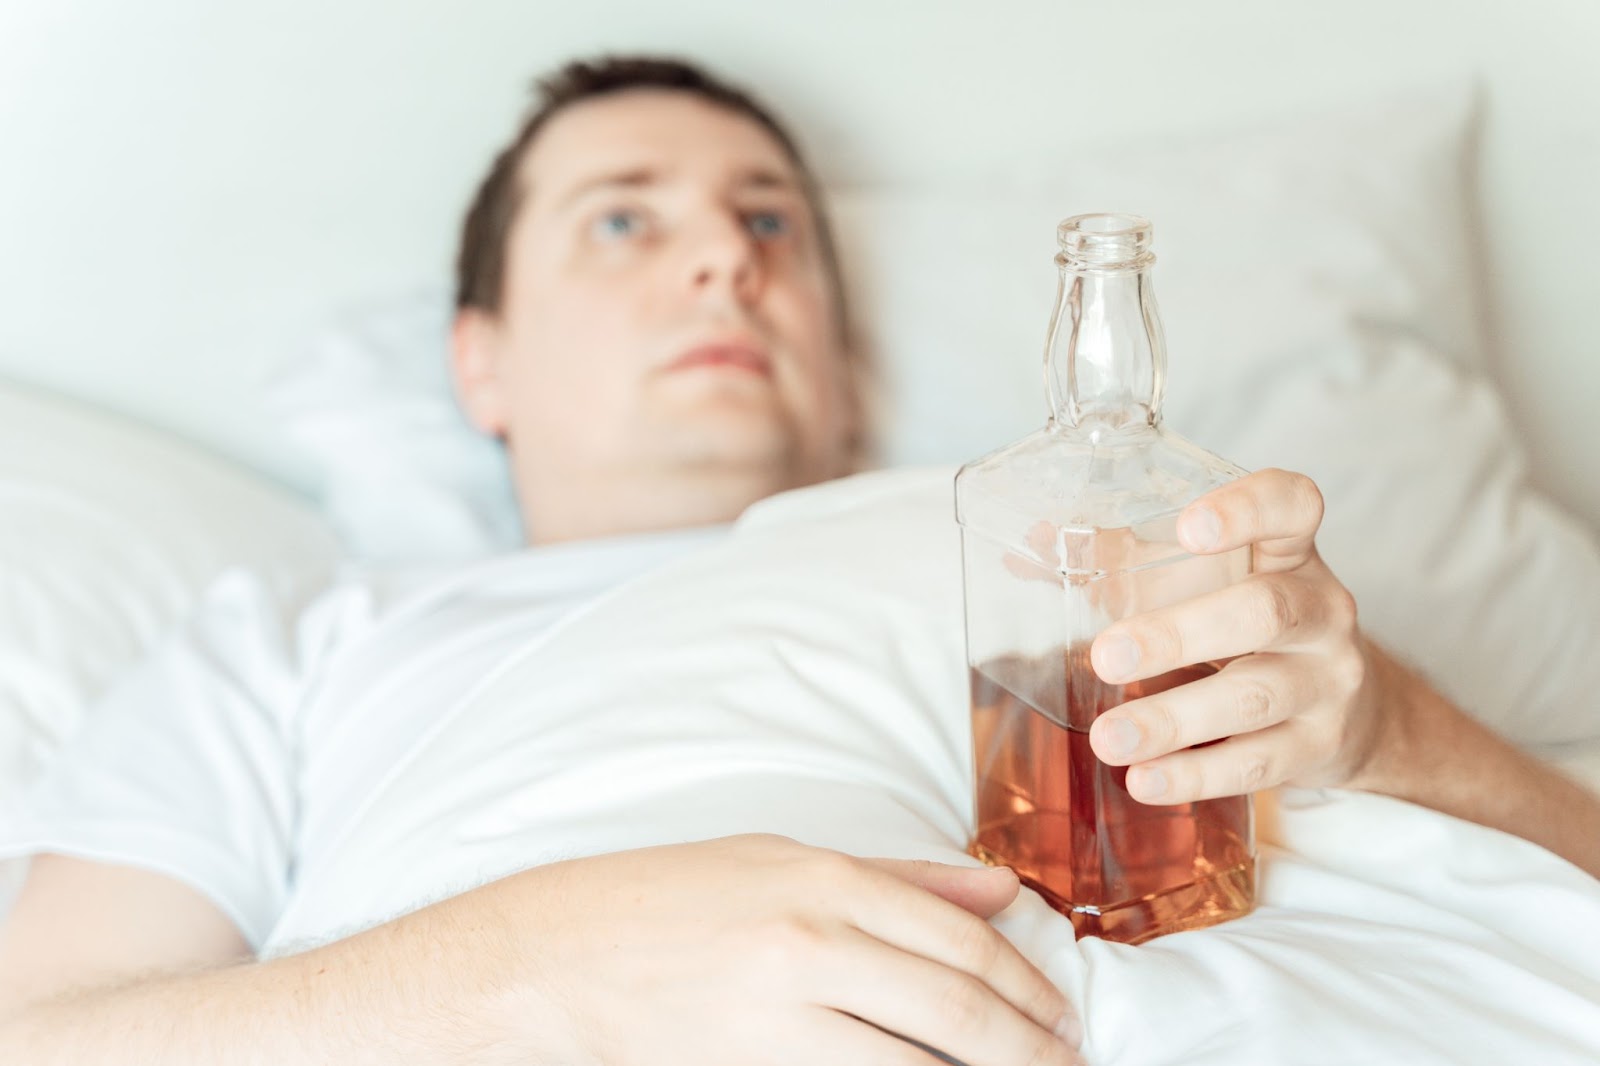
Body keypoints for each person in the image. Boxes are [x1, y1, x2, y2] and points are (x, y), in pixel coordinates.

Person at [0, 55, 1596, 1065]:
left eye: (772, 224)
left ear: (837, 360)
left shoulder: (1068, 546)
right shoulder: (299, 644)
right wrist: (532, 969)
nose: (722, 253)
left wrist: (1388, 728)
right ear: (477, 362)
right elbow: (45, 1036)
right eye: (622, 221)